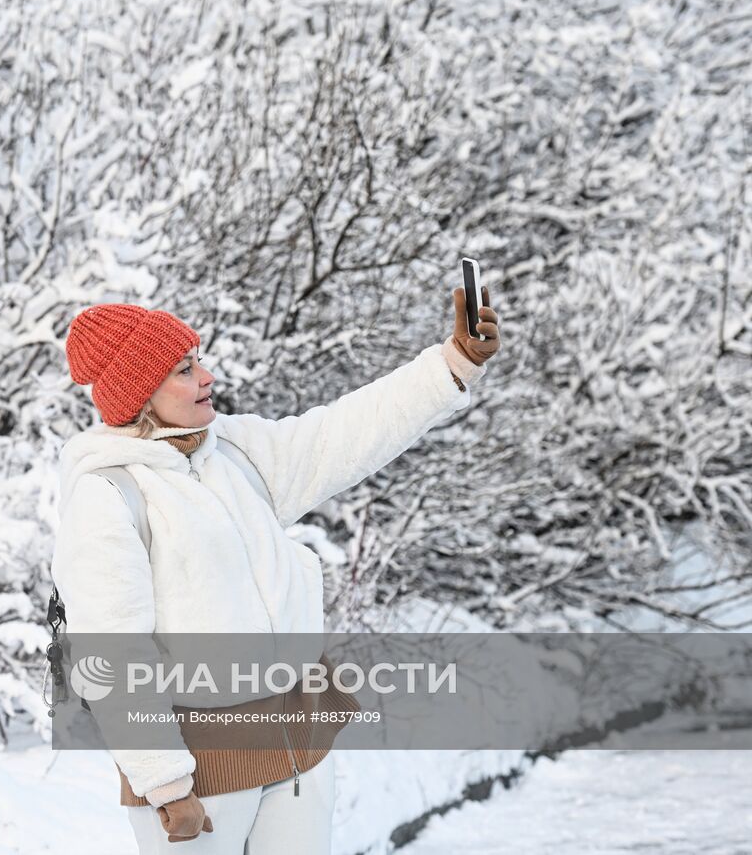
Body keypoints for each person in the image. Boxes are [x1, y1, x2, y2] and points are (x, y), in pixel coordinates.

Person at [52, 288, 502, 852]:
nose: (208, 377)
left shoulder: (234, 453)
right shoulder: (110, 493)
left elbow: (345, 432)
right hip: (201, 771)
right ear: (141, 393)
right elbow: (115, 651)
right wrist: (164, 783)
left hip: (299, 743)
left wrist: (453, 364)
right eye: (185, 370)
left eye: (200, 360)